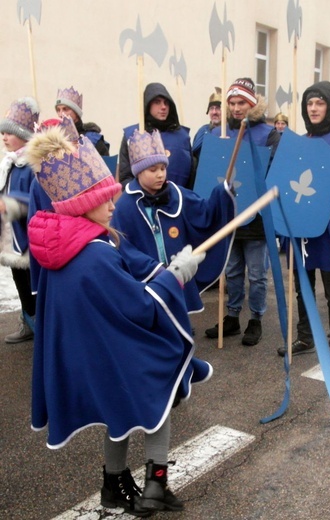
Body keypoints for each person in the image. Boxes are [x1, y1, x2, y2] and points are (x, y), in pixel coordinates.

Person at [25, 125, 209, 516]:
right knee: (161, 382)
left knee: (120, 409)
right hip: (111, 347)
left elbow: (126, 261)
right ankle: (156, 482)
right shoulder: (93, 253)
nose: (113, 203)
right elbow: (139, 306)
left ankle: (114, 483)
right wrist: (175, 277)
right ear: (81, 203)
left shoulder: (71, 242)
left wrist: (163, 268)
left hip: (92, 351)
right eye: (105, 197)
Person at [276, 81, 330, 369]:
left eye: (319, 103)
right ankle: (305, 336)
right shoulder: (300, 140)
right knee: (303, 285)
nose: (313, 108)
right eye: (309, 103)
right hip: (300, 223)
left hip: (329, 224)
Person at [111, 128, 235, 319]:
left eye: (163, 168)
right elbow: (121, 247)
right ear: (138, 172)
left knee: (179, 325)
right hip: (149, 283)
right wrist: (152, 268)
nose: (160, 174)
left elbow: (206, 213)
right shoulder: (125, 206)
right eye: (153, 170)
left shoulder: (177, 194)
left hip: (178, 279)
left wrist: (222, 193)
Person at [204, 78, 280, 346]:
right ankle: (233, 316)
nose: (237, 109)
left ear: (252, 104)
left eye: (242, 103)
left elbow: (274, 172)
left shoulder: (268, 134)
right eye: (232, 103)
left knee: (257, 274)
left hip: (256, 215)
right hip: (229, 213)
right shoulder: (217, 133)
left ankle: (256, 319)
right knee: (233, 271)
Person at [0, 97, 39, 343]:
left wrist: (10, 203)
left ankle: (39, 325)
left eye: (9, 133)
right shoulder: (10, 163)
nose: (4, 137)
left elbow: (36, 198)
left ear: (24, 134)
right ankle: (27, 321)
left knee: (33, 286)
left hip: (30, 239)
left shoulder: (32, 164)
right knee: (20, 283)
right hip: (13, 237)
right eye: (2, 132)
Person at [118, 82, 193, 189]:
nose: (163, 107)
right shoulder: (133, 136)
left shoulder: (182, 137)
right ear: (148, 104)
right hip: (144, 202)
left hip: (177, 201)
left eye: (166, 103)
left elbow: (191, 177)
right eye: (157, 102)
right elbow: (125, 177)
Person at [54, 86, 110, 155]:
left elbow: (105, 164)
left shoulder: (93, 139)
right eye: (58, 110)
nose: (61, 114)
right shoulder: (55, 140)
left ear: (76, 112)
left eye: (65, 109)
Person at [192, 88, 222, 161]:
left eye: (218, 108)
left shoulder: (231, 132)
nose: (214, 112)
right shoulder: (202, 131)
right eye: (211, 108)